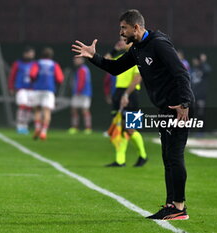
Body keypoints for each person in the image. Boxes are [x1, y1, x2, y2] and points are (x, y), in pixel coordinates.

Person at [72, 9, 194, 220]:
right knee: (168, 158)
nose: (121, 32)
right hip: (165, 108)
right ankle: (171, 205)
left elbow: (181, 72)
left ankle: (179, 208)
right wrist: (94, 57)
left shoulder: (158, 43)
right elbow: (116, 68)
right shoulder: (137, 48)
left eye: (123, 28)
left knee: (174, 156)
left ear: (136, 27)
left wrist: (184, 103)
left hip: (178, 108)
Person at [104, 37, 148, 167]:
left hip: (131, 95)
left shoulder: (138, 57)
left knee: (129, 129)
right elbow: (106, 62)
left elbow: (137, 79)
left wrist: (126, 95)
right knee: (119, 127)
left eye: (123, 40)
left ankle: (143, 155)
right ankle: (120, 160)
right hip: (118, 93)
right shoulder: (123, 57)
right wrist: (114, 50)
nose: (121, 42)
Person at [30, 47, 64, 140]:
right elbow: (60, 78)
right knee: (47, 111)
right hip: (49, 90)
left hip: (38, 89)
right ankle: (44, 132)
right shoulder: (54, 64)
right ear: (51, 56)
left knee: (37, 110)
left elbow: (32, 74)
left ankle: (37, 128)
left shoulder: (37, 63)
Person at [8, 46, 36, 134]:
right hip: (21, 88)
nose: (31, 55)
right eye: (30, 53)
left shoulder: (35, 64)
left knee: (29, 108)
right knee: (22, 106)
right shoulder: (18, 64)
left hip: (31, 89)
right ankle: (20, 125)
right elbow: (12, 76)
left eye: (32, 54)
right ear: (25, 54)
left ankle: (25, 125)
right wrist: (11, 87)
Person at [68, 57, 93, 135]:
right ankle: (75, 127)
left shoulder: (83, 69)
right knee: (74, 109)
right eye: (75, 59)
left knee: (84, 110)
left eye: (77, 59)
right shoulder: (80, 69)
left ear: (82, 60)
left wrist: (78, 91)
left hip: (83, 93)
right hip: (80, 93)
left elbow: (82, 81)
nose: (75, 61)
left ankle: (88, 128)